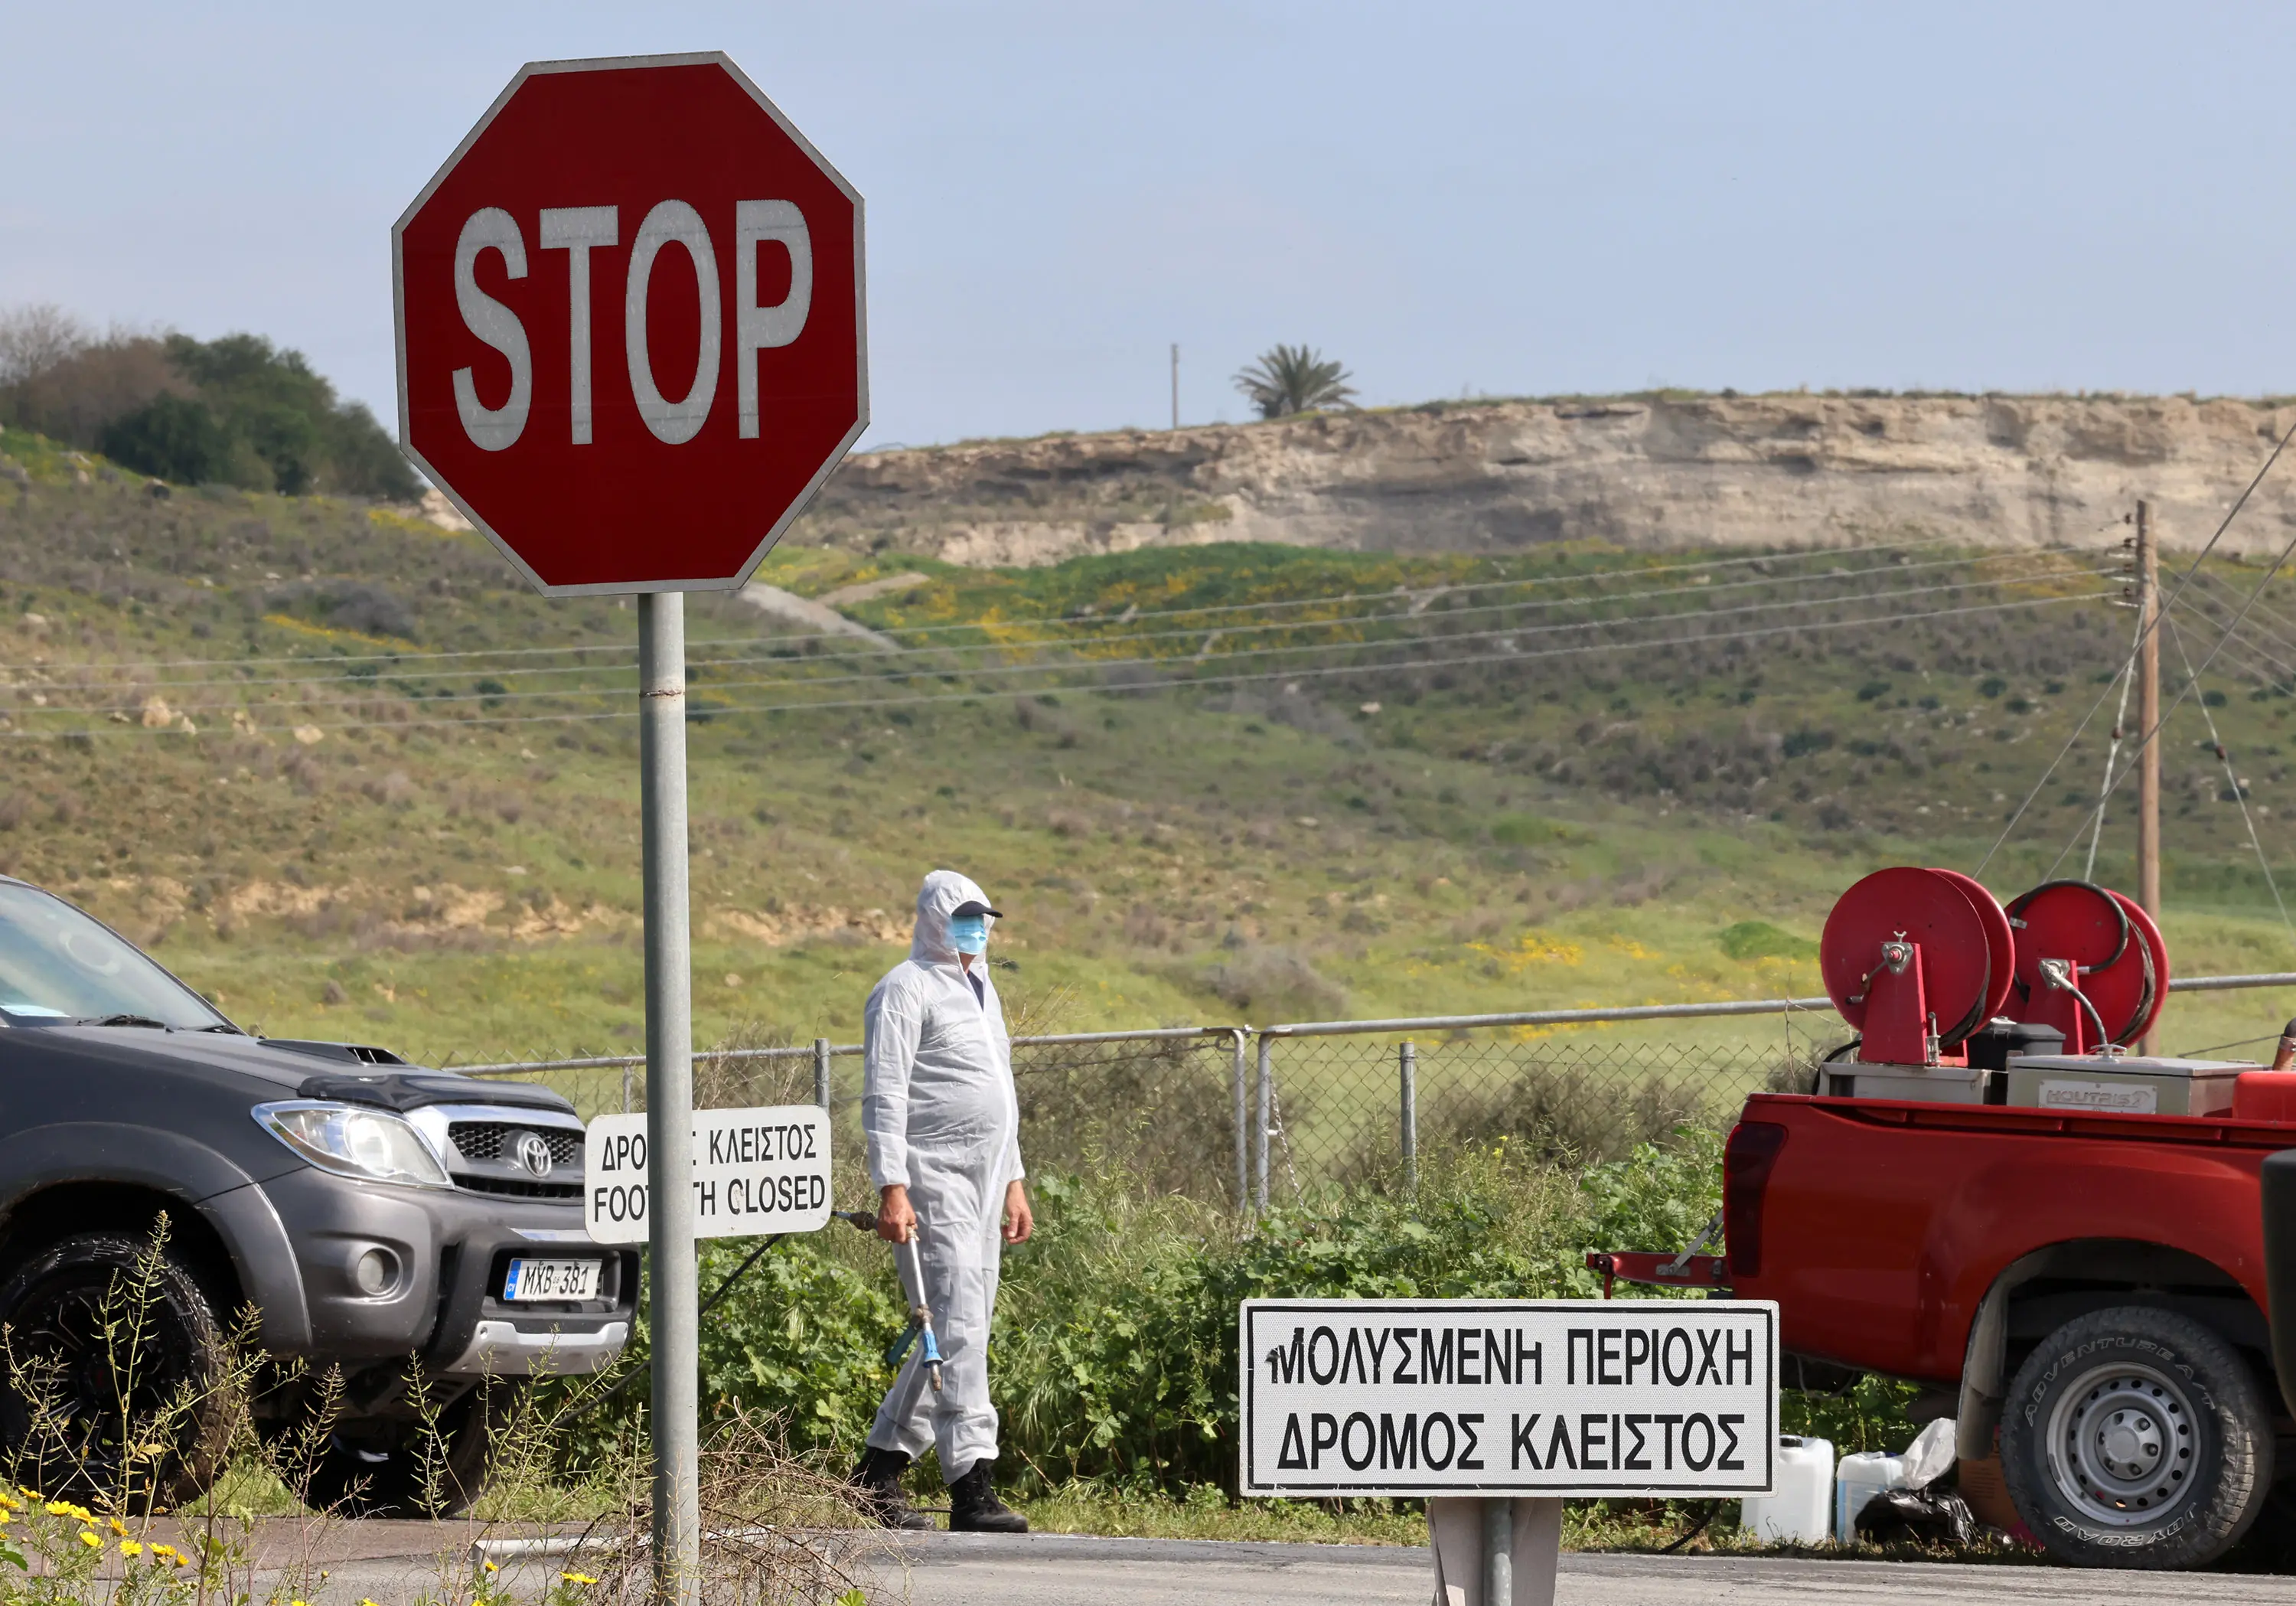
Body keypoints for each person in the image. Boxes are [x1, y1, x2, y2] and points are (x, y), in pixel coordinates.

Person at [849, 870, 1032, 1533]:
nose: (975, 931)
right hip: (932, 1180)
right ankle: (971, 1483)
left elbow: (1000, 1093)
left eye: (983, 920)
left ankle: (877, 1471)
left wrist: (1012, 1180)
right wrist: (891, 1187)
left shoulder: (985, 993)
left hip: (987, 1185)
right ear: (932, 920)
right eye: (963, 918)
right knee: (956, 1327)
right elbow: (885, 1094)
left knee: (959, 1330)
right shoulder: (904, 990)